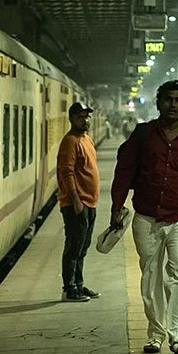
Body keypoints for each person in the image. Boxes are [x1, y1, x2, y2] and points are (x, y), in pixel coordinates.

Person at [111, 79, 178, 354]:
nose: (173, 105)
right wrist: (116, 206)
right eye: (168, 99)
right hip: (146, 217)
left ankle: (176, 334)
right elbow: (124, 172)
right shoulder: (143, 134)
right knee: (151, 275)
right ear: (158, 103)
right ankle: (155, 333)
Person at [56, 102, 101, 302]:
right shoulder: (70, 141)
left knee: (82, 247)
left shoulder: (87, 140)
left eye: (87, 117)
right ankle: (69, 289)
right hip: (77, 203)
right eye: (81, 117)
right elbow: (67, 171)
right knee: (74, 247)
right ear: (72, 119)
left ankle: (79, 284)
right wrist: (75, 200)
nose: (86, 120)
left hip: (89, 203)